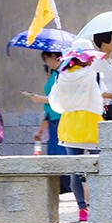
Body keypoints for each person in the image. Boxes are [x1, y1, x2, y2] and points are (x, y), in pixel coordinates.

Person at [49, 40, 106, 222]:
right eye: (90, 56)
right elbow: (103, 97)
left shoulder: (62, 76)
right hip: (91, 124)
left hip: (70, 125)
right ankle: (98, 205)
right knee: (98, 167)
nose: (92, 60)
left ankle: (82, 209)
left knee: (75, 169)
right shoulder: (95, 75)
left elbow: (55, 103)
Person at [28, 50, 72, 195]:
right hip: (52, 120)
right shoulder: (54, 74)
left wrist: (38, 98)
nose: (47, 63)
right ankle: (59, 188)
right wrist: (41, 129)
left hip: (61, 118)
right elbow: (48, 108)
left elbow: (59, 97)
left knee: (61, 154)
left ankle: (66, 187)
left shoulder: (62, 73)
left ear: (54, 57)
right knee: (54, 155)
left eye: (47, 59)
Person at [92, 31, 112, 121]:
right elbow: (94, 89)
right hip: (106, 111)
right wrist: (111, 96)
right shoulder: (97, 61)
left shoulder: (109, 60)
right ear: (104, 40)